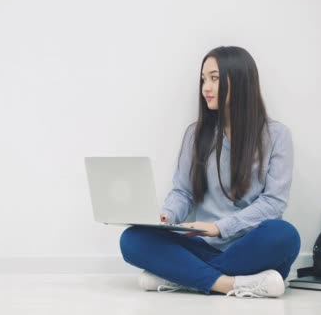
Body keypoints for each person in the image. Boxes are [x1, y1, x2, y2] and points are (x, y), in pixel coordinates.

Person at [119, 46, 300, 298]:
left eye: (214, 78)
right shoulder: (196, 134)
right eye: (203, 79)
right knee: (132, 239)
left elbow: (273, 203)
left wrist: (219, 227)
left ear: (240, 81)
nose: (206, 87)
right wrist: (166, 216)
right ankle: (231, 284)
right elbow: (183, 192)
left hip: (251, 246)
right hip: (202, 246)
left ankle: (182, 278)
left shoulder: (277, 135)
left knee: (285, 236)